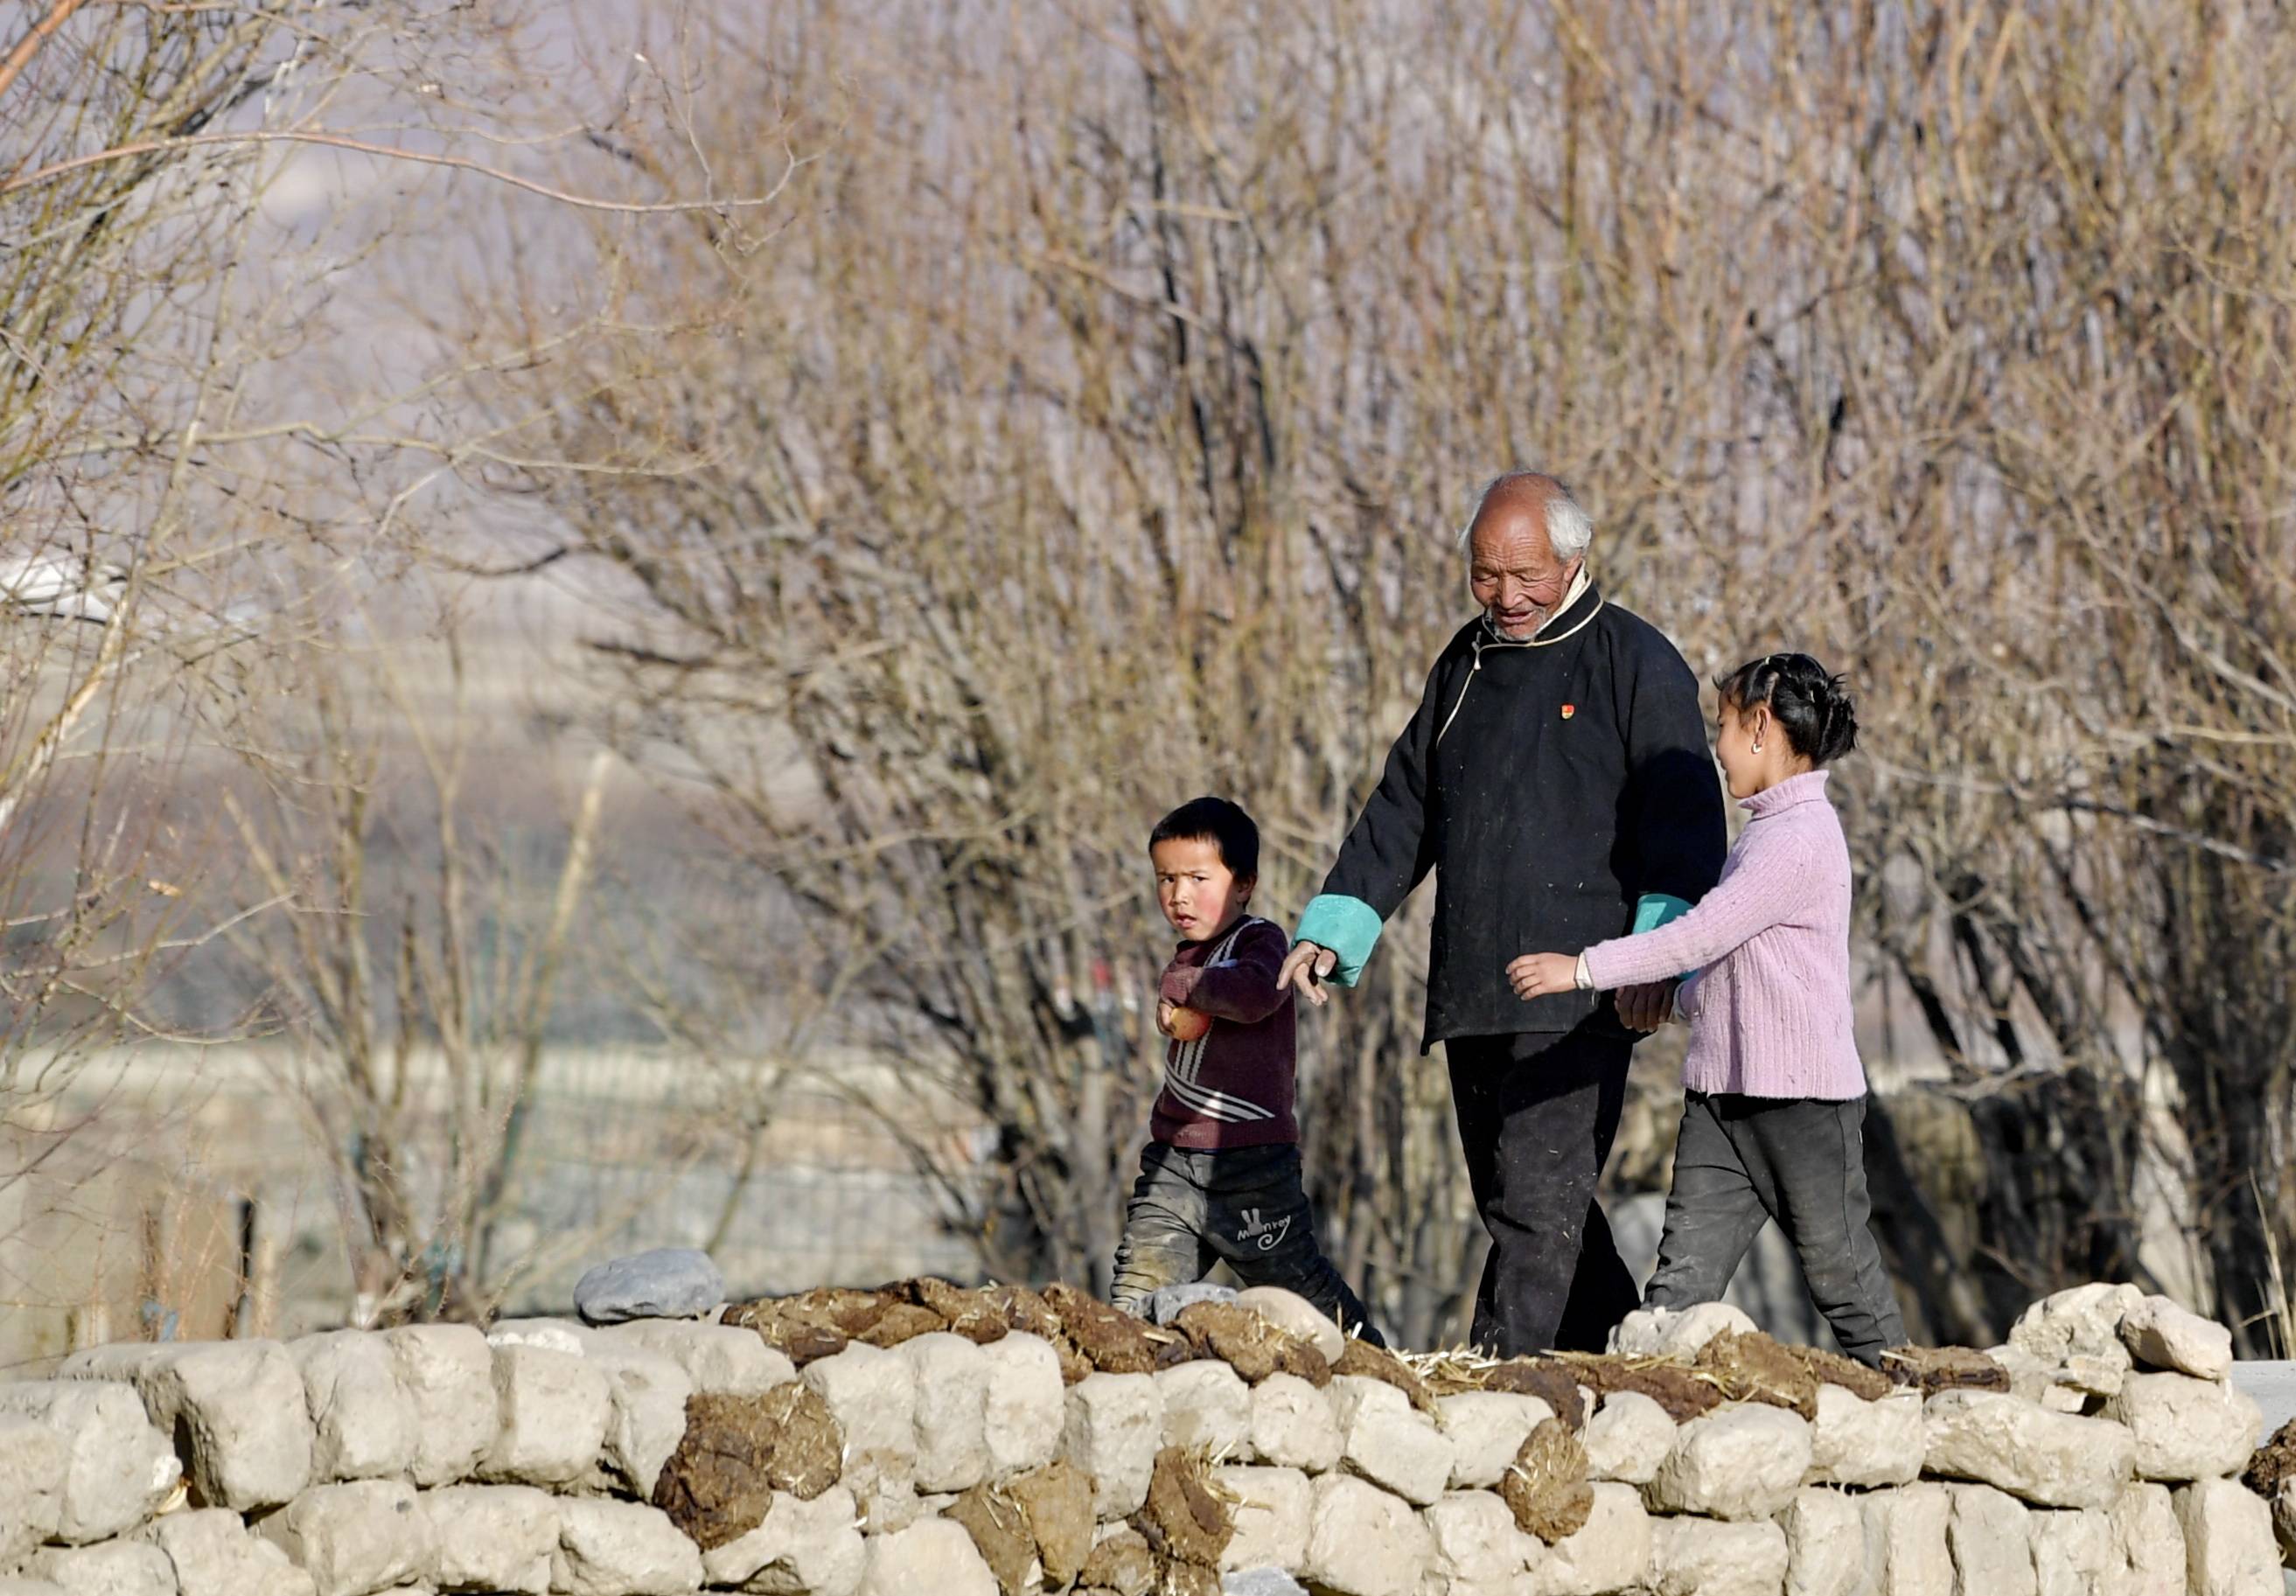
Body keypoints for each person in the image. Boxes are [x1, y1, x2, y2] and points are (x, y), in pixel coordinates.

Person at [1278, 472, 1727, 1356]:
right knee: (1523, 1200)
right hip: (1476, 980)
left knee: (1533, 1202)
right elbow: (1406, 803)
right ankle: (1631, 1359)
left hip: (1584, 990)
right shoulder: (1465, 665)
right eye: (1487, 576)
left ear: (1575, 559)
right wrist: (1336, 925)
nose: (1507, 597)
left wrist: (1653, 958)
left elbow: (1685, 820)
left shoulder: (1635, 662)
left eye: (1528, 575)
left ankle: (1496, 1383)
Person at [1507, 653, 1908, 1364]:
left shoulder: (1798, 836)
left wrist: (1584, 968)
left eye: (1722, 725)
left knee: (1840, 1277)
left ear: (1760, 727)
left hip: (1802, 1107)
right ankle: (1643, 1418)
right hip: (1721, 1099)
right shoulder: (1763, 833)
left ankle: (1917, 1408)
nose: (1716, 747)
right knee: (1678, 1289)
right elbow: (1732, 970)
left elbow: (1703, 932)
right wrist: (1677, 995)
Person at [1110, 795, 1382, 1342]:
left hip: (1253, 1168)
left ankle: (1385, 1374)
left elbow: (1258, 994)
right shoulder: (1186, 956)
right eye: (1165, 879)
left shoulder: (1262, 942)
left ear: (1244, 884)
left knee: (1305, 1298)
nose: (1178, 894)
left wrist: (1181, 987)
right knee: (1134, 1305)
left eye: (1197, 878)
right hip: (1173, 1165)